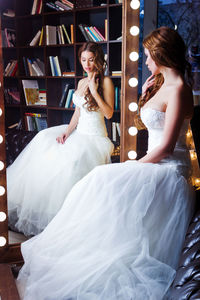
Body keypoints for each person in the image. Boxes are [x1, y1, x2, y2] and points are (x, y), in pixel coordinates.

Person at [17, 27, 195, 300]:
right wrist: (147, 93)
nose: (145, 62)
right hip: (156, 164)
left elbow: (167, 147)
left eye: (148, 57)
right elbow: (144, 123)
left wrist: (135, 165)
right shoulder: (160, 85)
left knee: (102, 179)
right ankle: (87, 250)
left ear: (160, 55)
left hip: (169, 170)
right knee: (97, 183)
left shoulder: (179, 89)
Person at [7, 42, 114, 237]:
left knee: (73, 169)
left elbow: (108, 114)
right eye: (83, 60)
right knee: (46, 148)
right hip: (79, 132)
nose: (87, 64)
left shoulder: (105, 82)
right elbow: (77, 112)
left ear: (98, 59)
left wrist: (95, 91)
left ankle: (75, 225)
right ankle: (55, 221)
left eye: (91, 59)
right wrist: (68, 131)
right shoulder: (81, 82)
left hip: (95, 138)